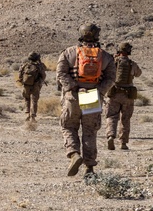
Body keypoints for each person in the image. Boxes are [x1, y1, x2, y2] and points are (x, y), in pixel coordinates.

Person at [56, 23, 115, 176]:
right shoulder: (105, 56)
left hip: (73, 97)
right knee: (89, 131)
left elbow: (61, 74)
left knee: (69, 126)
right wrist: (98, 92)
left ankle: (74, 154)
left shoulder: (68, 53)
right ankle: (89, 168)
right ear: (96, 35)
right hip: (92, 96)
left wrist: (72, 88)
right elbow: (110, 78)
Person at [105, 43, 142, 150]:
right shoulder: (132, 64)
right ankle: (123, 143)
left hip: (114, 93)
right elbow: (138, 73)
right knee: (125, 119)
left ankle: (110, 135)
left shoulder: (113, 62)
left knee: (111, 116)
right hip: (128, 95)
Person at [17, 52, 47, 120]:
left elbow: (20, 75)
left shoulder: (25, 65)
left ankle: (27, 113)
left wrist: (23, 81)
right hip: (36, 85)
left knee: (27, 99)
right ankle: (33, 116)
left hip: (26, 85)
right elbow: (43, 75)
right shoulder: (39, 66)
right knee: (34, 100)